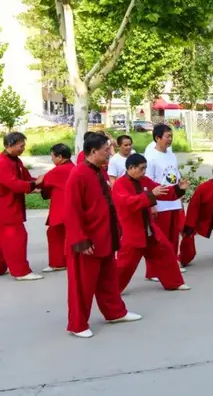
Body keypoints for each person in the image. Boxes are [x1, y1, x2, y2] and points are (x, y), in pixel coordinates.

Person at [64, 133, 142, 338]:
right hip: (87, 242)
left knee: (108, 279)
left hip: (105, 236)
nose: (110, 152)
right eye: (106, 149)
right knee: (83, 285)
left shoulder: (100, 171)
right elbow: (72, 210)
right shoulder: (79, 174)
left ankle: (115, 312)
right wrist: (80, 240)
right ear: (92, 152)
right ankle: (78, 325)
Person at [113, 154, 190, 293]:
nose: (144, 172)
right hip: (132, 230)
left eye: (145, 168)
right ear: (131, 168)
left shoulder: (144, 180)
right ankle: (112, 290)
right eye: (142, 169)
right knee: (125, 264)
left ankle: (174, 282)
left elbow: (161, 190)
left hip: (149, 227)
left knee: (165, 251)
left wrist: (178, 188)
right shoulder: (119, 184)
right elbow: (128, 202)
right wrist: (151, 195)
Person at [145, 124, 190, 278]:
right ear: (157, 138)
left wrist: (180, 190)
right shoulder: (150, 158)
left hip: (174, 201)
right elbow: (147, 183)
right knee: (159, 240)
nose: (170, 139)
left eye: (171, 136)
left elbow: (174, 174)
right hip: (160, 204)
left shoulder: (171, 154)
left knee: (172, 238)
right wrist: (152, 205)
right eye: (167, 136)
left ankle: (170, 266)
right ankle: (153, 271)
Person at [0, 132, 44, 280]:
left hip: (10, 206)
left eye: (24, 145)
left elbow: (27, 179)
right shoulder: (3, 162)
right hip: (6, 207)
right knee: (16, 238)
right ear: (9, 145)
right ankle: (21, 272)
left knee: (4, 239)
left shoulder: (16, 161)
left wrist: (42, 182)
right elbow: (14, 184)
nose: (23, 148)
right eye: (21, 146)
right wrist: (34, 184)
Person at [40, 144, 75, 273]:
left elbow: (42, 182)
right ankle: (68, 260)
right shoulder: (73, 168)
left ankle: (58, 263)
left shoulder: (59, 170)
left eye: (52, 157)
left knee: (54, 233)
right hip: (72, 207)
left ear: (60, 157)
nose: (52, 160)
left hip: (61, 208)